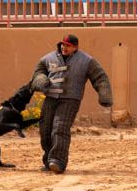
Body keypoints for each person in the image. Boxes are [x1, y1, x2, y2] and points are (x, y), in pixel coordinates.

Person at [31, 34, 112, 174]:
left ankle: (58, 161)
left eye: (68, 45)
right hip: (50, 97)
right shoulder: (48, 58)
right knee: (45, 130)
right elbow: (39, 71)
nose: (64, 47)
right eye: (63, 44)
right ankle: (48, 160)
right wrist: (40, 79)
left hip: (70, 99)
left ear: (75, 47)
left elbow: (100, 77)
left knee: (60, 128)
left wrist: (104, 94)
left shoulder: (87, 61)